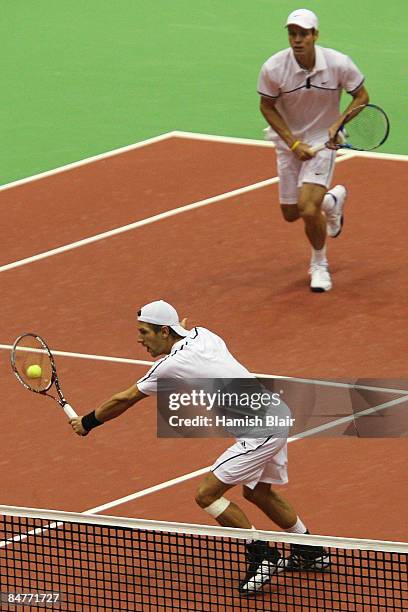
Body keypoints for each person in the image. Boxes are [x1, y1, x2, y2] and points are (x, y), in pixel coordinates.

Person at [70, 299, 328, 594]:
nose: (139, 339)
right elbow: (191, 339)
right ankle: (311, 551)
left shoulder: (169, 365)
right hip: (275, 413)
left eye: (144, 332)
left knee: (206, 495)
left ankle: (261, 555)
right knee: (257, 491)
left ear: (165, 332)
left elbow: (124, 399)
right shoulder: (205, 334)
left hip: (262, 431)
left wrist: (87, 422)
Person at [258, 8, 369, 292]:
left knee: (308, 208)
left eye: (303, 34)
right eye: (292, 34)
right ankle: (332, 202)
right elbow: (266, 106)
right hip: (288, 141)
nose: (297, 40)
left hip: (323, 139)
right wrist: (293, 144)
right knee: (291, 213)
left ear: (315, 35)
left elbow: (361, 95)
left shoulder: (338, 64)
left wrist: (338, 125)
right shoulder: (273, 68)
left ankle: (319, 264)